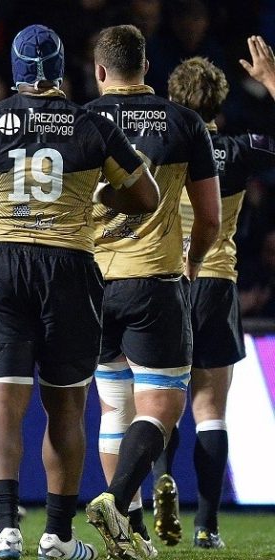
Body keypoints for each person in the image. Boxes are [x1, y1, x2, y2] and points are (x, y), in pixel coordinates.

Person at [0, 24, 159, 560]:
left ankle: (3, 533)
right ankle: (59, 538)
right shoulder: (90, 125)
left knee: (1, 404)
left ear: (17, 70)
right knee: (66, 408)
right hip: (69, 265)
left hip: (0, 267)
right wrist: (98, 197)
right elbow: (146, 194)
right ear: (65, 68)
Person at [84, 24, 220, 560]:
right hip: (153, 281)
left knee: (114, 408)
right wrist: (193, 260)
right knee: (161, 408)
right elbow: (207, 217)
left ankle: (132, 532)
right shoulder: (184, 122)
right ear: (147, 67)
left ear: (99, 71)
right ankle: (117, 505)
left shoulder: (82, 121)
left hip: (92, 284)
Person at [152, 36, 275, 550]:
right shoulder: (238, 149)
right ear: (219, 102)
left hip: (159, 282)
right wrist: (270, 80)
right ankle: (206, 525)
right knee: (210, 410)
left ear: (173, 100)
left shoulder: (155, 148)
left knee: (156, 408)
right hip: (216, 285)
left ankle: (158, 490)